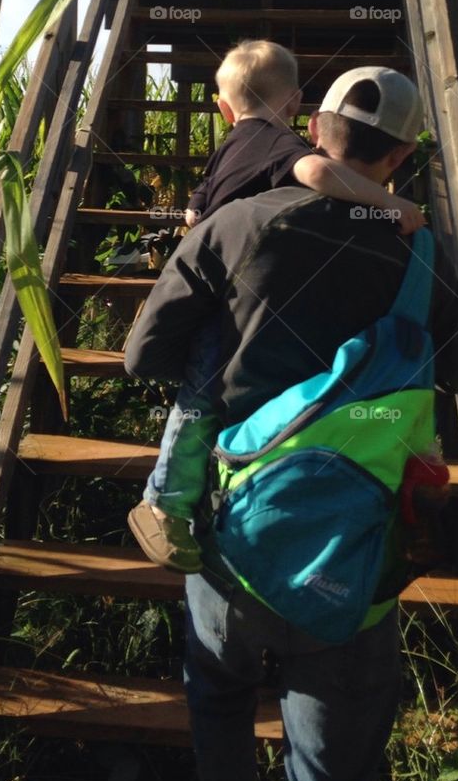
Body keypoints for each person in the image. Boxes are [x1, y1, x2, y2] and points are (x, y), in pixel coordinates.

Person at [123, 66, 458, 781]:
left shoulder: (236, 225)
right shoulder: (423, 256)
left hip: (233, 546)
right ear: (403, 157)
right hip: (353, 559)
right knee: (331, 765)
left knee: (218, 704)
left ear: (313, 128)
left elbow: (142, 355)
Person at [128, 42, 425, 573]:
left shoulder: (242, 140)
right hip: (230, 296)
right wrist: (391, 203)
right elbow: (317, 174)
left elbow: (207, 197)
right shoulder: (275, 141)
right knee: (201, 398)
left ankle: (175, 501)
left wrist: (197, 218)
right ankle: (163, 502)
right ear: (294, 106)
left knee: (198, 398)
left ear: (224, 108)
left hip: (217, 291)